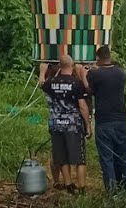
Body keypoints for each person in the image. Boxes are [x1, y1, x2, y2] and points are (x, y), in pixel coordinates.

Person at [85, 45, 126, 192]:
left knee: (107, 158)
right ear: (110, 56)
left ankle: (112, 191)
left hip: (104, 121)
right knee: (124, 155)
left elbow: (89, 90)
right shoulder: (121, 73)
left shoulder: (95, 75)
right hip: (120, 119)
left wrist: (84, 74)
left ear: (98, 58)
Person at [42, 53, 92, 194]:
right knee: (79, 157)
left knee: (62, 156)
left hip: (57, 123)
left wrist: (42, 72)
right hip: (73, 124)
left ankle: (68, 184)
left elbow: (42, 84)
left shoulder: (51, 82)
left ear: (60, 65)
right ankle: (82, 187)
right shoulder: (76, 83)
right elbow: (82, 106)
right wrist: (87, 124)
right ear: (72, 66)